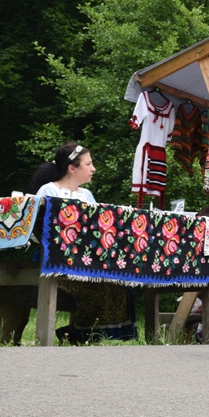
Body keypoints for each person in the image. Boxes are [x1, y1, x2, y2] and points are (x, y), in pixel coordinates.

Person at [30, 143, 137, 344]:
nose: (93, 168)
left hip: (84, 261)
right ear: (72, 168)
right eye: (88, 164)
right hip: (54, 261)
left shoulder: (86, 195)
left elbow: (97, 230)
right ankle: (80, 334)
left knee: (118, 283)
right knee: (99, 287)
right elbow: (37, 229)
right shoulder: (49, 190)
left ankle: (81, 334)